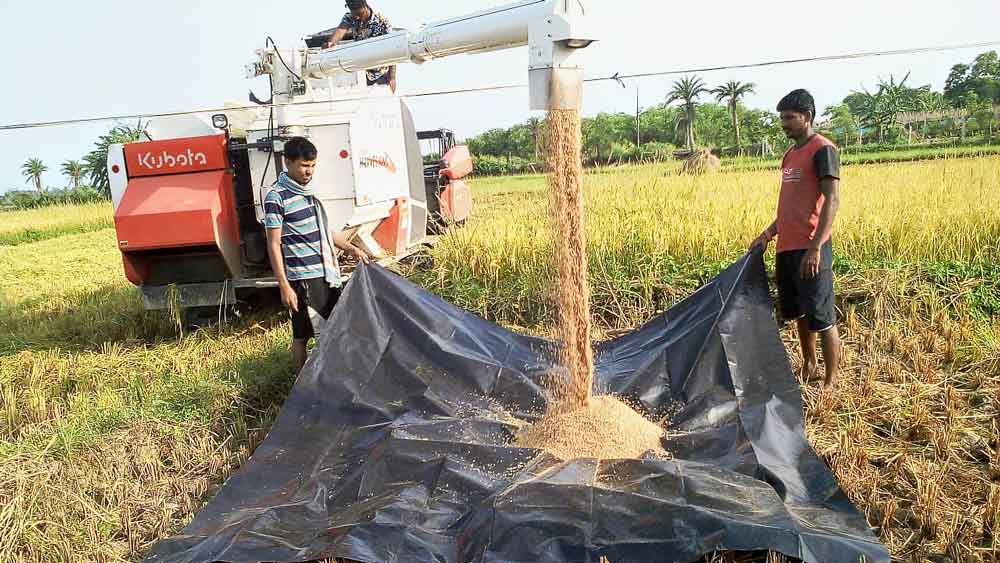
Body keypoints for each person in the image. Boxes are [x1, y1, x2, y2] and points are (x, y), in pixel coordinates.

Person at [751, 89, 842, 389]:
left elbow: (832, 200)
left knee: (821, 314)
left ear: (807, 117)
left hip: (811, 248)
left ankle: (831, 380)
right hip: (787, 247)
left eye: (790, 118)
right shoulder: (789, 155)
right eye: (782, 118)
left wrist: (816, 247)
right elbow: (789, 208)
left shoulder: (823, 149)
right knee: (800, 312)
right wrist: (768, 234)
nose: (784, 124)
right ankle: (809, 364)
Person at [264, 137, 369, 371]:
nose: (308, 171)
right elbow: (273, 244)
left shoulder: (309, 192)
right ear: (287, 162)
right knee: (302, 334)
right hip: (303, 278)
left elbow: (325, 230)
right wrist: (284, 286)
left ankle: (333, 374)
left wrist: (351, 248)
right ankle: (302, 386)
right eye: (303, 165)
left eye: (312, 166)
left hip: (326, 273)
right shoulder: (276, 197)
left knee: (335, 327)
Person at [323, 0, 397, 93]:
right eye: (354, 14)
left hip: (381, 74)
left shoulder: (381, 20)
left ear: (365, 6)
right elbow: (340, 32)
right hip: (362, 73)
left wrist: (392, 77)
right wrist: (330, 43)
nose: (356, 17)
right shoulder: (350, 17)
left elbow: (393, 49)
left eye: (359, 14)